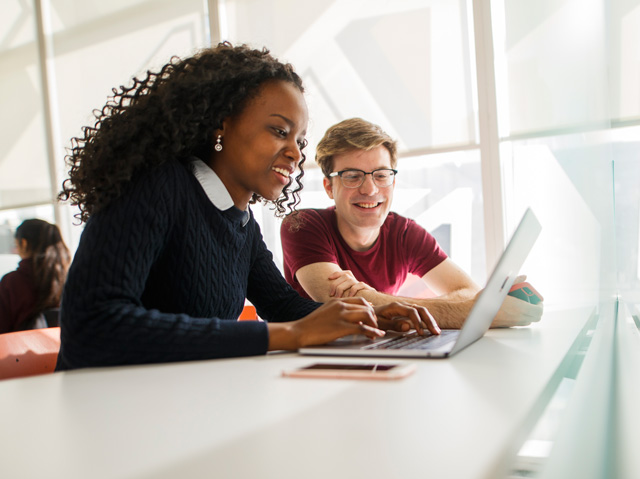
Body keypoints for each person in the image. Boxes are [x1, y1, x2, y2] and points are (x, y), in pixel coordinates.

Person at [55, 43, 439, 371]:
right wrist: (289, 335)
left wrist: (375, 313)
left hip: (179, 406)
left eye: (300, 141)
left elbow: (282, 303)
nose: (294, 152)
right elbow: (95, 324)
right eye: (279, 131)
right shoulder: (158, 186)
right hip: (108, 419)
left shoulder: (241, 223)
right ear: (220, 126)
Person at [280, 117, 543, 329]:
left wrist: (375, 299)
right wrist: (481, 312)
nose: (370, 189)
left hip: (375, 352)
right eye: (352, 176)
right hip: (310, 363)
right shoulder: (302, 225)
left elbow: (466, 290)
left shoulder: (405, 233)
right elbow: (340, 303)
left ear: (393, 181)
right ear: (329, 186)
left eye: (381, 175)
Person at [0, 219, 70, 333]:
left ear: (23, 243)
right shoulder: (69, 279)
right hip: (66, 349)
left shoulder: (12, 282)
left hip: (21, 349)